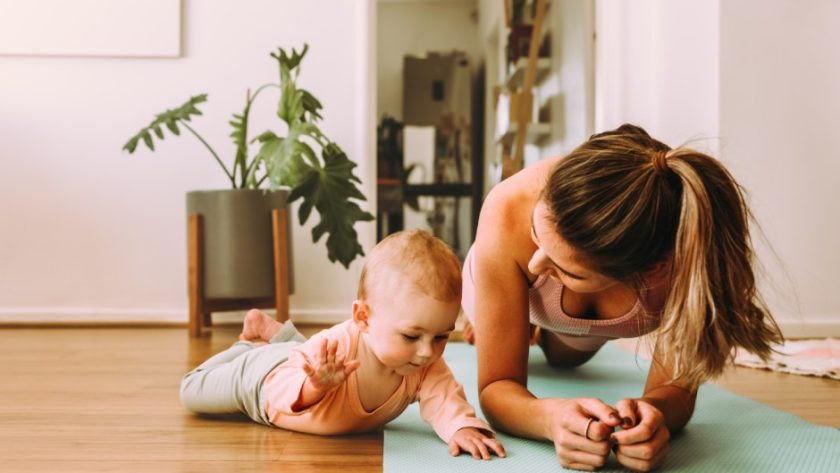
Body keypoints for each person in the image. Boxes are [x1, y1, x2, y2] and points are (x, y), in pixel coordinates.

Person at [460, 124, 782, 471]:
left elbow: (676, 392)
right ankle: (517, 326)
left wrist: (653, 416)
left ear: (652, 270)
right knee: (509, 336)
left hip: (586, 321)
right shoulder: (508, 206)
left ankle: (546, 334)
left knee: (565, 360)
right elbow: (497, 386)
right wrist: (551, 419)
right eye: (537, 237)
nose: (536, 265)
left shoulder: (688, 262)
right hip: (490, 281)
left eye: (569, 270)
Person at [180, 229, 505, 460]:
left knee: (309, 357)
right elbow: (280, 393)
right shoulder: (337, 347)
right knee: (191, 391)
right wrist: (314, 388)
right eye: (411, 336)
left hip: (306, 361)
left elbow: (445, 398)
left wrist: (462, 427)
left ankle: (276, 334)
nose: (427, 351)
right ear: (363, 317)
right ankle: (249, 347)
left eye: (442, 336)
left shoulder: (421, 361)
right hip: (260, 381)